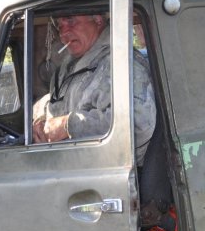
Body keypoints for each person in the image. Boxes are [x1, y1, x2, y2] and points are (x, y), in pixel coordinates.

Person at [32, 13, 156, 166]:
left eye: (70, 21)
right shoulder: (70, 65)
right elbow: (57, 99)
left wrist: (68, 126)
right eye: (59, 26)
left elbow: (138, 123)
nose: (63, 34)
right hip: (71, 168)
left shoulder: (121, 61)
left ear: (97, 19)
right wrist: (41, 118)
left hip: (110, 175)